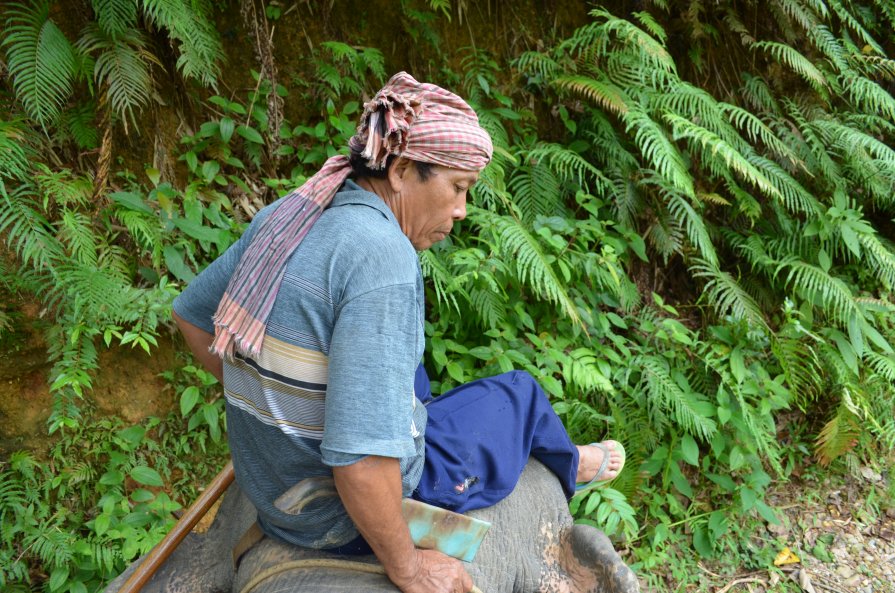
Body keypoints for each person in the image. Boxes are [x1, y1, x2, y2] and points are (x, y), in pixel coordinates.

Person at [172, 72, 624, 593]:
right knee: (516, 395)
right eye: (457, 188)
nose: (460, 210)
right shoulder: (382, 259)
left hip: (277, 497)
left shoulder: (289, 214)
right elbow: (362, 464)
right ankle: (576, 461)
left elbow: (191, 314)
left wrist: (273, 406)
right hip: (333, 519)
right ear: (403, 169)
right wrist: (408, 566)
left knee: (413, 379)